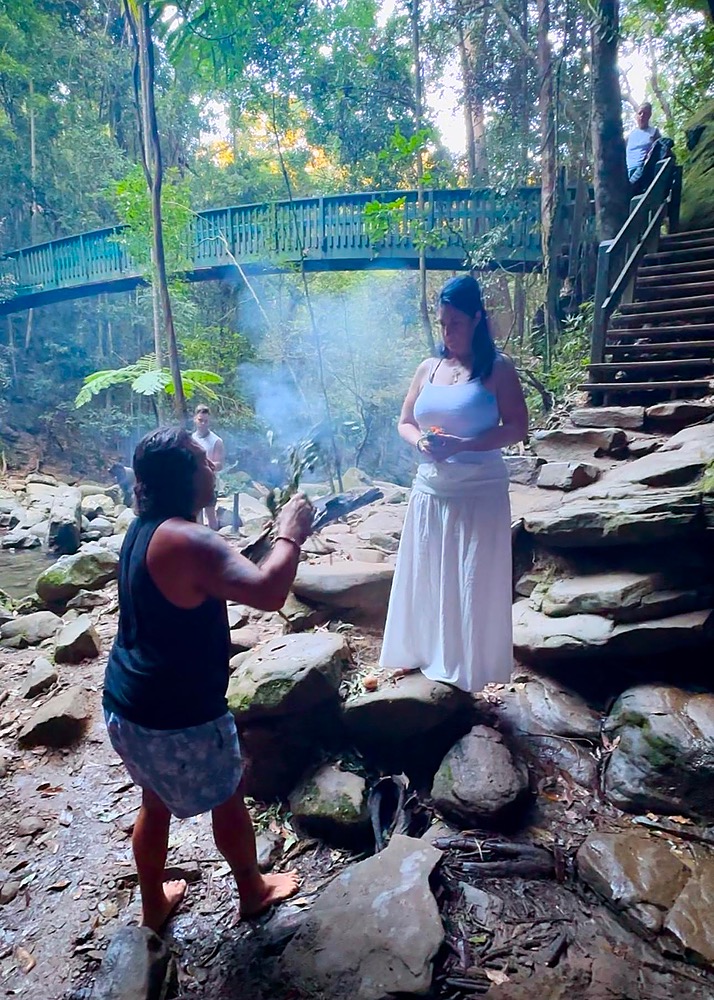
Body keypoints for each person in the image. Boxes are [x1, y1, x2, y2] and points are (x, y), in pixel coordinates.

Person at [103, 426, 313, 933]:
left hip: (126, 706)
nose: (212, 468)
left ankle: (154, 904)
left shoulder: (146, 528)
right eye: (203, 462)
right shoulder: (191, 539)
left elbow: (204, 576)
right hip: (180, 717)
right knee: (228, 794)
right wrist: (290, 532)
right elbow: (268, 593)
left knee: (154, 803)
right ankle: (253, 890)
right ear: (185, 478)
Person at [379, 274, 528, 693]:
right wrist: (421, 441)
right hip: (431, 487)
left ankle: (468, 667)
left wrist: (468, 443)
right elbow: (405, 422)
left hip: (478, 490)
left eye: (456, 324)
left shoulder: (497, 370)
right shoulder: (428, 368)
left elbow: (517, 427)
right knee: (428, 572)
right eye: (443, 323)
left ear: (478, 318)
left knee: (471, 577)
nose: (448, 332)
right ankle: (422, 652)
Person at [191, 404, 225, 530]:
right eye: (200, 420)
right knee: (195, 513)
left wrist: (205, 465)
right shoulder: (190, 439)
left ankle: (213, 539)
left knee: (210, 513)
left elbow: (219, 464)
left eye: (205, 421)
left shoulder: (216, 441)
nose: (203, 424)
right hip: (193, 481)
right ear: (195, 419)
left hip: (209, 481)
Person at [626, 103, 671, 193]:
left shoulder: (654, 132)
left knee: (633, 182)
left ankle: (631, 186)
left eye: (645, 113)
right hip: (628, 169)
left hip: (643, 169)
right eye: (640, 113)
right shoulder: (629, 136)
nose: (642, 116)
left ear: (649, 115)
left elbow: (661, 150)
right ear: (636, 116)